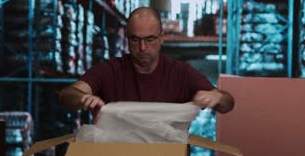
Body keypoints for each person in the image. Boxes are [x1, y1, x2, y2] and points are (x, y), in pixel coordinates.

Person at [59, 7, 234, 117]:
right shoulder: (109, 70)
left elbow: (228, 103)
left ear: (161, 38)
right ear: (127, 39)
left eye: (150, 39)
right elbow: (67, 95)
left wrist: (217, 97)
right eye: (135, 40)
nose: (142, 47)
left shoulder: (181, 73)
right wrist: (83, 98)